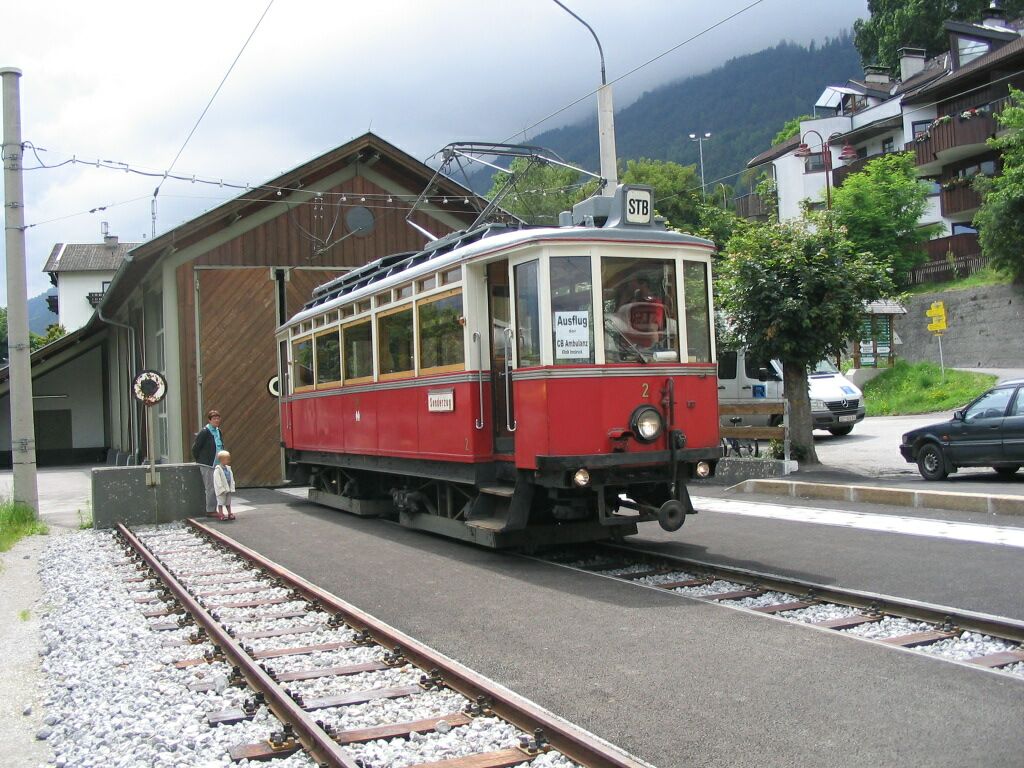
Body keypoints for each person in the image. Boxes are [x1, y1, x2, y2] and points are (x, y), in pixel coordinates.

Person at [191, 409, 225, 518]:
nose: (216, 420)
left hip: (218, 463)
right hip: (208, 464)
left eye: (217, 418)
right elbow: (196, 447)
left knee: (218, 487)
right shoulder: (205, 431)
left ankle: (216, 508)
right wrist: (201, 459)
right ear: (209, 420)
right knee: (211, 487)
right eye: (214, 419)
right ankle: (210, 510)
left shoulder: (218, 431)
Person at [212, 450, 236, 521]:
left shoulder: (228, 468)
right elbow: (217, 480)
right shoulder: (218, 469)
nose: (228, 461)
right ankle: (221, 513)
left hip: (228, 488)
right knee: (221, 502)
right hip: (222, 490)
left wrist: (232, 485)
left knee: (228, 502)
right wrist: (221, 488)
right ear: (221, 460)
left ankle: (229, 513)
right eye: (226, 459)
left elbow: (231, 477)